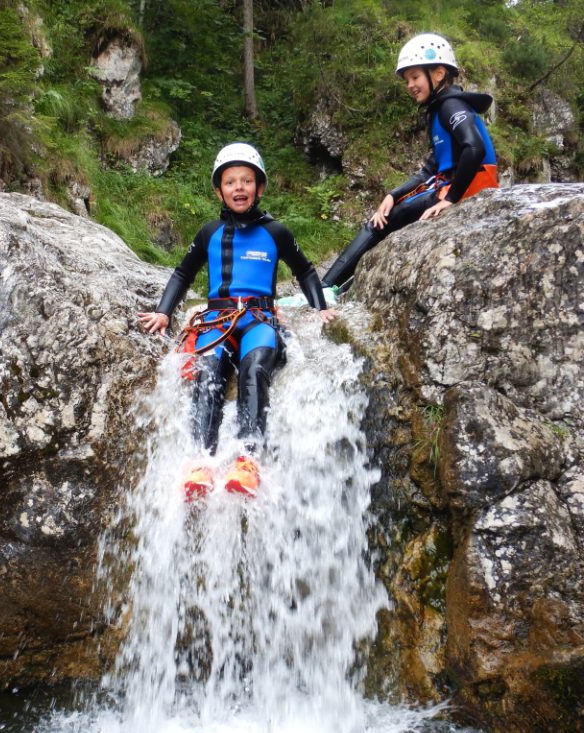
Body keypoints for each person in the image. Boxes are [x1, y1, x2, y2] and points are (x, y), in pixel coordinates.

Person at [138, 142, 338, 499]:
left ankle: (247, 460)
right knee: (208, 369)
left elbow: (306, 271)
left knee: (255, 368)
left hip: (260, 319)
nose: (239, 188)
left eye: (247, 180)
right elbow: (183, 273)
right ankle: (199, 462)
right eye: (230, 182)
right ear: (220, 190)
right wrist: (163, 311)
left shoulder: (276, 232)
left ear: (259, 188)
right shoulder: (209, 233)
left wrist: (319, 307)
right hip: (218, 320)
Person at [321, 33, 499, 294]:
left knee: (381, 222)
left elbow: (474, 147)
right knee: (389, 212)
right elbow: (430, 169)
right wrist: (392, 195)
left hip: (469, 189)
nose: (410, 85)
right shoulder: (440, 109)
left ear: (438, 74)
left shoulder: (451, 106)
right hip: (456, 185)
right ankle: (336, 288)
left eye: (415, 77)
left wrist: (450, 199)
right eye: (407, 80)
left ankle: (324, 289)